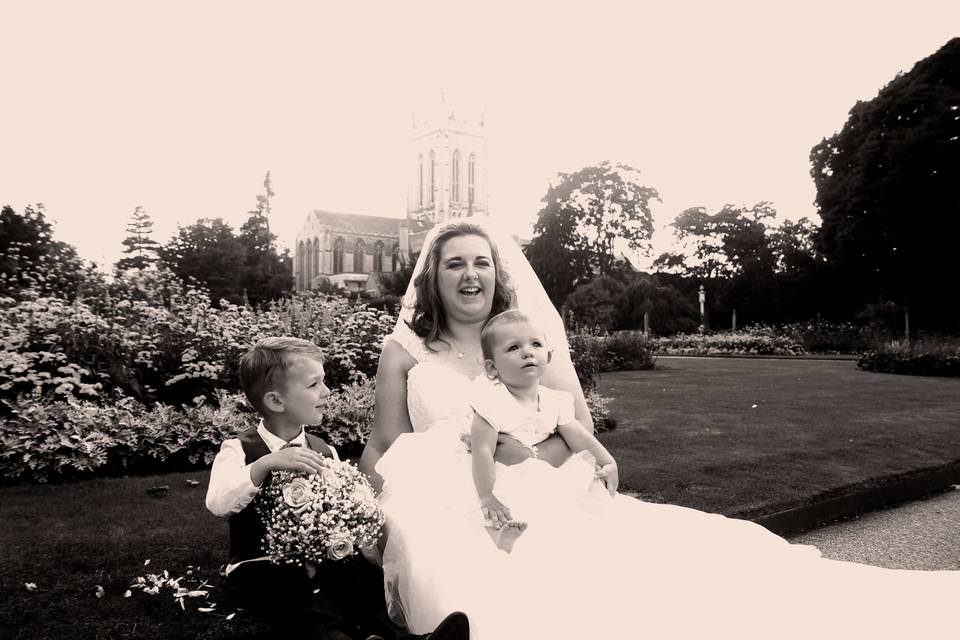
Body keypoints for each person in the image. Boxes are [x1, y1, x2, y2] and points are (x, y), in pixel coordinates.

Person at [359, 220, 960, 639]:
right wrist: (364, 513)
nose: (470, 276)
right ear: (432, 277)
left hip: (543, 493)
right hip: (444, 503)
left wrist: (546, 466)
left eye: (481, 263)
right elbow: (385, 443)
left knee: (648, 585)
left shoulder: (529, 339)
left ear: (497, 273)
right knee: (489, 589)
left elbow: (574, 426)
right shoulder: (406, 349)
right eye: (455, 264)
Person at [206, 337, 469, 640]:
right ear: (276, 401)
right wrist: (264, 464)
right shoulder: (240, 448)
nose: (327, 392)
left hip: (322, 556)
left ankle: (401, 637)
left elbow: (337, 509)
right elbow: (217, 502)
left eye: (324, 382)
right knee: (293, 594)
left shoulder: (323, 450)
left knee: (360, 576)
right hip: (261, 565)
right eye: (313, 385)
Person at [469, 309, 619, 550]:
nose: (527, 351)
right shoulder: (490, 403)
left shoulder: (556, 401)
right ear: (492, 368)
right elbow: (482, 451)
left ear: (547, 357)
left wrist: (607, 461)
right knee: (504, 500)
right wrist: (487, 494)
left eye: (535, 344)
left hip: (547, 474)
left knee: (565, 498)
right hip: (502, 474)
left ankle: (557, 535)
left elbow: (579, 437)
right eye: (513, 348)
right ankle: (498, 536)